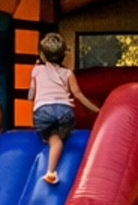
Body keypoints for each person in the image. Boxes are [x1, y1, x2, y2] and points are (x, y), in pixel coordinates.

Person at [29, 32, 98, 184]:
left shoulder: (37, 70)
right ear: (64, 56)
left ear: (42, 55)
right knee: (59, 135)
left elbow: (31, 94)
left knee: (52, 137)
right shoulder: (68, 73)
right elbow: (78, 95)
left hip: (43, 112)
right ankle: (52, 167)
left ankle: (50, 167)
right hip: (64, 111)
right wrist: (98, 110)